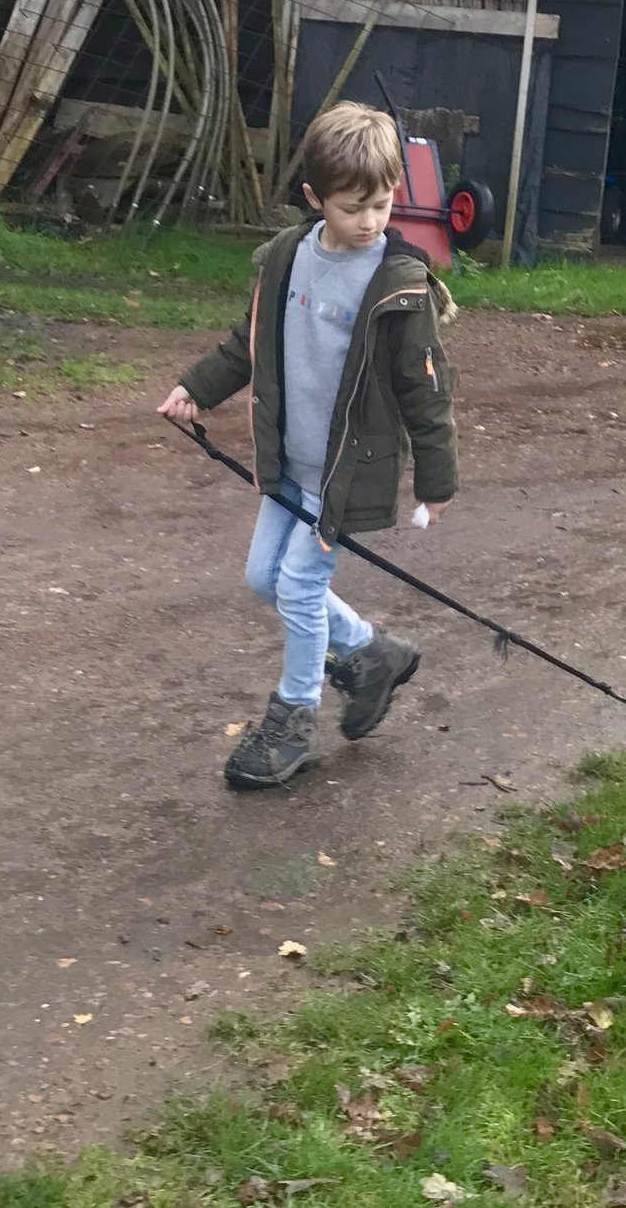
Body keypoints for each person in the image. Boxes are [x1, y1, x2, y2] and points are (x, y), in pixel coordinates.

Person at [157, 102, 458, 788]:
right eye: (354, 207)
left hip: (345, 471)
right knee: (263, 577)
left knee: (297, 584)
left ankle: (292, 718)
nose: (371, 221)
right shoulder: (287, 259)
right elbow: (249, 343)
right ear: (314, 198)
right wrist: (196, 389)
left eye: (383, 204)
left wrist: (436, 481)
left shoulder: (399, 284)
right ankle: (370, 651)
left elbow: (426, 391)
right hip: (290, 461)